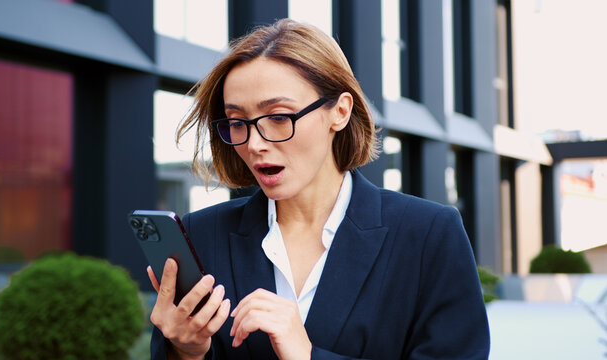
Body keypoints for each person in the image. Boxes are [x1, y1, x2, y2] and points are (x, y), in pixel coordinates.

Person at [147, 19, 490, 360]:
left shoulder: (428, 235)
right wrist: (185, 352)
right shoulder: (200, 236)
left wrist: (307, 355)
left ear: (340, 112)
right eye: (237, 123)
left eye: (279, 117)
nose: (253, 144)